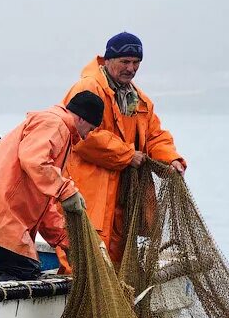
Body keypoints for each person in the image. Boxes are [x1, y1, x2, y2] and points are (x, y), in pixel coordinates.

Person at [0, 92, 105, 281]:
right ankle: (2, 310)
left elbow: (43, 207)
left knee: (21, 269)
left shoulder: (58, 132)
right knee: (22, 270)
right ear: (80, 117)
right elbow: (34, 160)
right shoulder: (55, 123)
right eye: (91, 128)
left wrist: (65, 240)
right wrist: (66, 191)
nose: (87, 136)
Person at [61, 31, 186, 264]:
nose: (131, 68)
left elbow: (155, 136)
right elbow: (82, 136)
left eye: (136, 62)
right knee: (79, 257)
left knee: (116, 262)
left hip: (122, 198)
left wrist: (172, 160)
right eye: (125, 62)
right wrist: (127, 155)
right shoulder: (89, 88)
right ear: (107, 60)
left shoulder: (140, 100)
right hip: (89, 192)